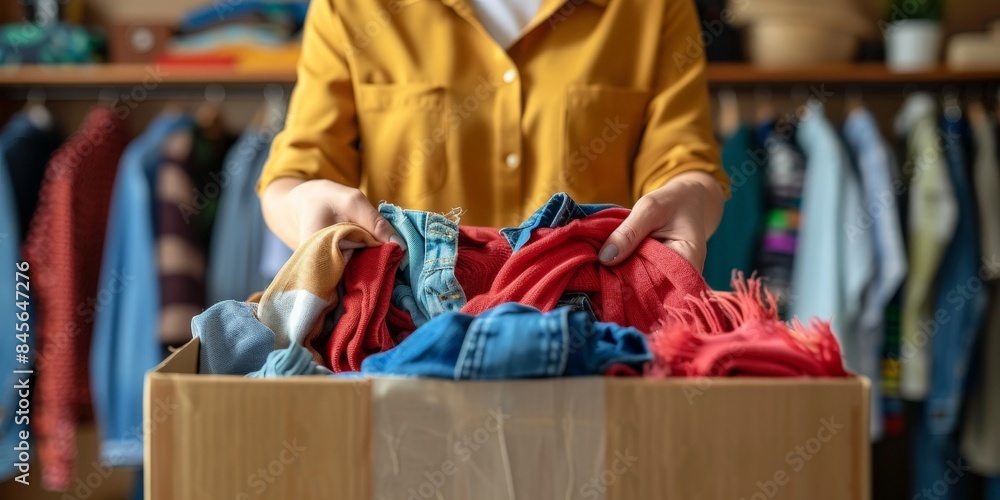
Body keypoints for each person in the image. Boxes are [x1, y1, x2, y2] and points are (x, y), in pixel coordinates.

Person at [258, 0, 729, 271]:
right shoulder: (351, 6)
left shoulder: (653, 7)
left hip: (594, 341)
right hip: (403, 346)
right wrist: (302, 204)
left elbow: (683, 161)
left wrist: (691, 195)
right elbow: (298, 173)